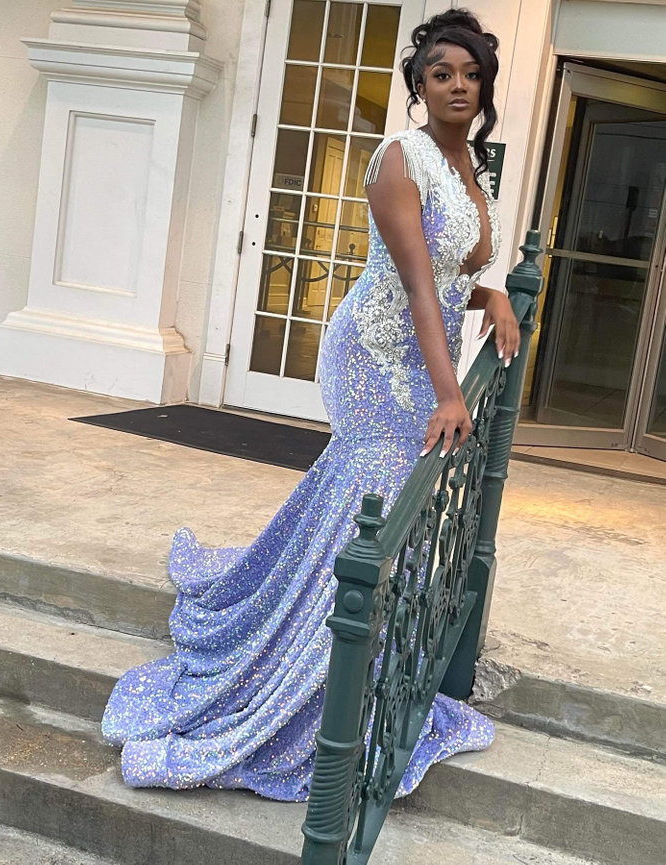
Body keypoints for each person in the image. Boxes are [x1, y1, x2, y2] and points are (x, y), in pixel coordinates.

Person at [102, 9, 519, 801]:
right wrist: (450, 389)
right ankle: (299, 689)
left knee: (369, 511)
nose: (458, 85)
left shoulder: (472, 168)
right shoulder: (401, 159)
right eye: (441, 74)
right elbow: (417, 285)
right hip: (374, 357)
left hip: (418, 351)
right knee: (376, 511)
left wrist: (495, 294)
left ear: (486, 85)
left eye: (470, 74)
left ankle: (352, 656)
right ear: (419, 86)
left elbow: (457, 274)